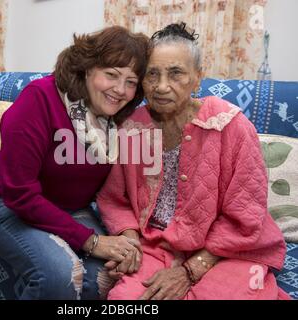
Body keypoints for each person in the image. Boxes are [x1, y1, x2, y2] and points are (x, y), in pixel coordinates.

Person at [97, 22, 291, 300]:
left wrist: (190, 270)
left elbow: (246, 215)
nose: (162, 86)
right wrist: (129, 240)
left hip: (228, 250)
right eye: (152, 74)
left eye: (176, 73)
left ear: (197, 78)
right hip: (156, 243)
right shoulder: (132, 128)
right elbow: (114, 197)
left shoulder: (231, 126)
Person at [0, 26, 148, 300]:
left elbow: (118, 193)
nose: (120, 90)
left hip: (72, 210)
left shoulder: (118, 121)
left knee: (105, 276)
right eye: (111, 75)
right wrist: (91, 241)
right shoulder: (39, 98)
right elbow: (19, 193)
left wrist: (128, 238)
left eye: (131, 81)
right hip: (7, 206)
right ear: (88, 68)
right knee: (61, 276)